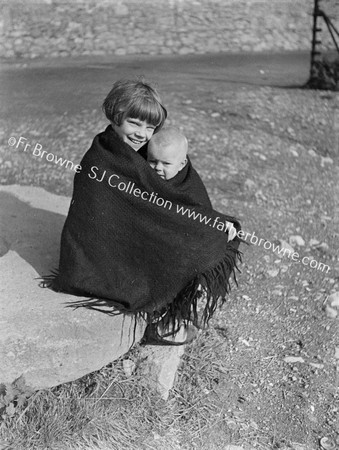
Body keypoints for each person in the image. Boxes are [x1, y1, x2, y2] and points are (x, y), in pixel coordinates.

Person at [49, 78, 242, 345]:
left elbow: (172, 198)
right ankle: (157, 317)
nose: (142, 133)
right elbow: (120, 218)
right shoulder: (100, 161)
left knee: (207, 235)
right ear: (115, 115)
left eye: (150, 126)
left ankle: (177, 306)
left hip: (141, 232)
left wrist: (209, 221)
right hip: (109, 253)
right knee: (194, 243)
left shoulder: (146, 152)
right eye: (134, 123)